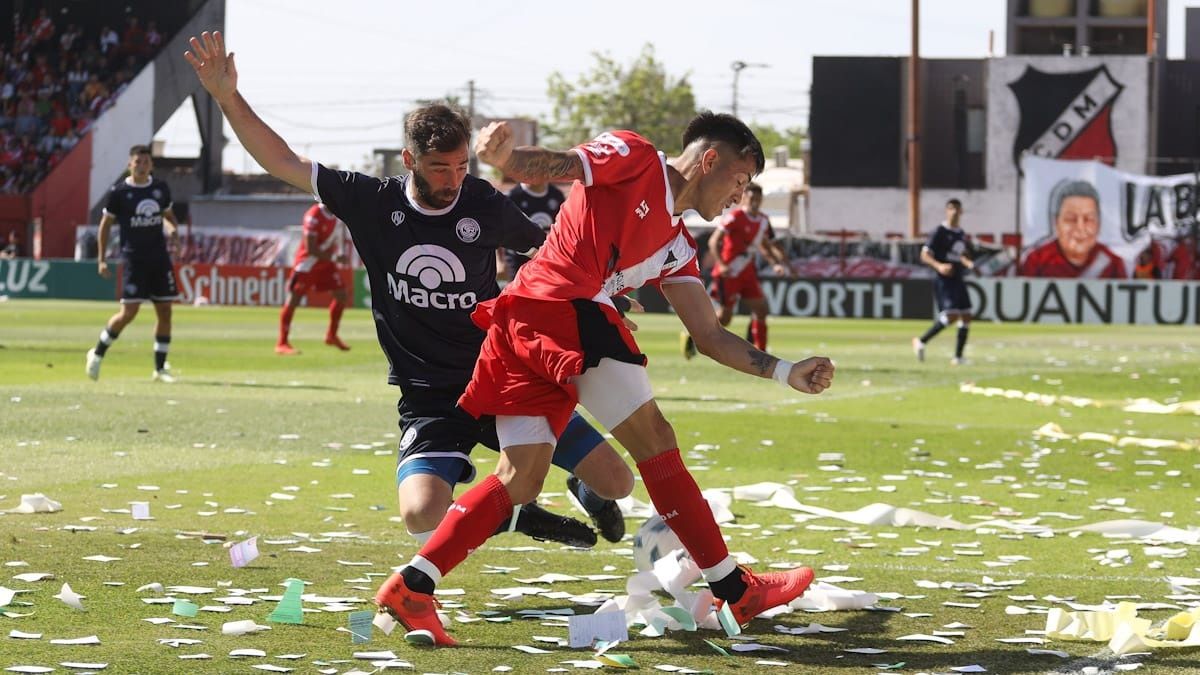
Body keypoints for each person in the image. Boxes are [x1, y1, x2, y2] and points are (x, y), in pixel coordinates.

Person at [368, 111, 835, 646]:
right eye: (740, 180)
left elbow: (709, 335)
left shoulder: (677, 246)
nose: (738, 196)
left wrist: (785, 372)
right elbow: (562, 165)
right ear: (710, 160)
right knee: (656, 441)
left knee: (520, 480)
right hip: (558, 310)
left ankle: (412, 587)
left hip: (524, 325)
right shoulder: (637, 157)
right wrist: (508, 161)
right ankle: (735, 588)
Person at [184, 31, 631, 552]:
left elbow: (552, 252)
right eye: (441, 167)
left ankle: (583, 492)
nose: (454, 178)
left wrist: (605, 295)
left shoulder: (483, 203)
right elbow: (281, 161)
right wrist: (225, 97)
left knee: (617, 482)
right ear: (409, 159)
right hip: (429, 395)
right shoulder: (370, 201)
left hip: (504, 379)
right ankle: (515, 516)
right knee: (421, 515)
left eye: (463, 165)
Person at [86, 145, 180, 382]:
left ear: (152, 165)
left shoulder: (160, 189)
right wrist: (101, 259)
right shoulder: (119, 193)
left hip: (159, 258)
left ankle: (159, 369)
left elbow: (168, 219)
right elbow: (105, 225)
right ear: (130, 164)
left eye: (146, 162)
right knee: (129, 312)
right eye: (137, 162)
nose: (141, 165)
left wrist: (172, 231)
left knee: (165, 311)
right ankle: (97, 354)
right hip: (133, 258)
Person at [682, 182, 789, 359]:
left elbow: (765, 245)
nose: (754, 201)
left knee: (761, 309)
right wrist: (722, 264)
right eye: (751, 198)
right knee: (725, 318)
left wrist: (775, 263)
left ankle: (760, 351)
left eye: (757, 198)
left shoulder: (763, 220)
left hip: (747, 273)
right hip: (729, 273)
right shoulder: (735, 217)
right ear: (744, 198)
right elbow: (713, 241)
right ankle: (692, 335)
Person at [276, 202, 351, 354]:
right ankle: (282, 343)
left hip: (326, 265)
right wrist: (336, 258)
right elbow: (311, 249)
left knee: (342, 295)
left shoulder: (337, 215)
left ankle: (331, 335)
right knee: (293, 300)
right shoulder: (314, 216)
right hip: (307, 264)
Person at [1019, 180, 1126, 278]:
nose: (1080, 228)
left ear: (1098, 224)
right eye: (1071, 219)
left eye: (1088, 219)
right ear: (1056, 223)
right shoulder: (1037, 261)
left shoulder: (1112, 263)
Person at [912, 198, 974, 366]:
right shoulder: (939, 231)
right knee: (952, 315)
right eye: (951, 208)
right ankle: (921, 341)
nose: (954, 211)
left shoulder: (961, 233)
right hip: (944, 280)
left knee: (967, 315)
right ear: (947, 211)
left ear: (961, 212)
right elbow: (924, 255)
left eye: (957, 208)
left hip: (958, 277)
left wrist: (968, 263)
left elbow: (961, 254)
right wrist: (939, 266)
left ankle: (958, 357)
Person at [496, 180, 565, 280]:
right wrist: (500, 262)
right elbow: (498, 231)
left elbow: (562, 228)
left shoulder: (557, 195)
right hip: (518, 262)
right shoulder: (511, 197)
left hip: (547, 261)